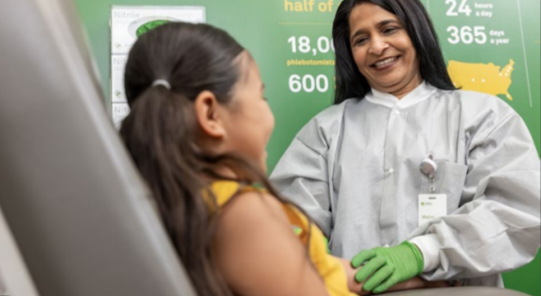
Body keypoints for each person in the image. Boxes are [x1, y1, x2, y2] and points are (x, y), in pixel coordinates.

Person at [119, 21, 449, 296]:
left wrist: (422, 271)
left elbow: (322, 269)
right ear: (210, 114)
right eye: (260, 95)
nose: (268, 112)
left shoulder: (176, 200)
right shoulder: (245, 211)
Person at [270, 0, 541, 293]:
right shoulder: (326, 130)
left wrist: (422, 252)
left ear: (416, 32)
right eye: (361, 39)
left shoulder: (482, 116)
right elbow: (283, 222)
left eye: (389, 29)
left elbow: (516, 212)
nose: (376, 46)